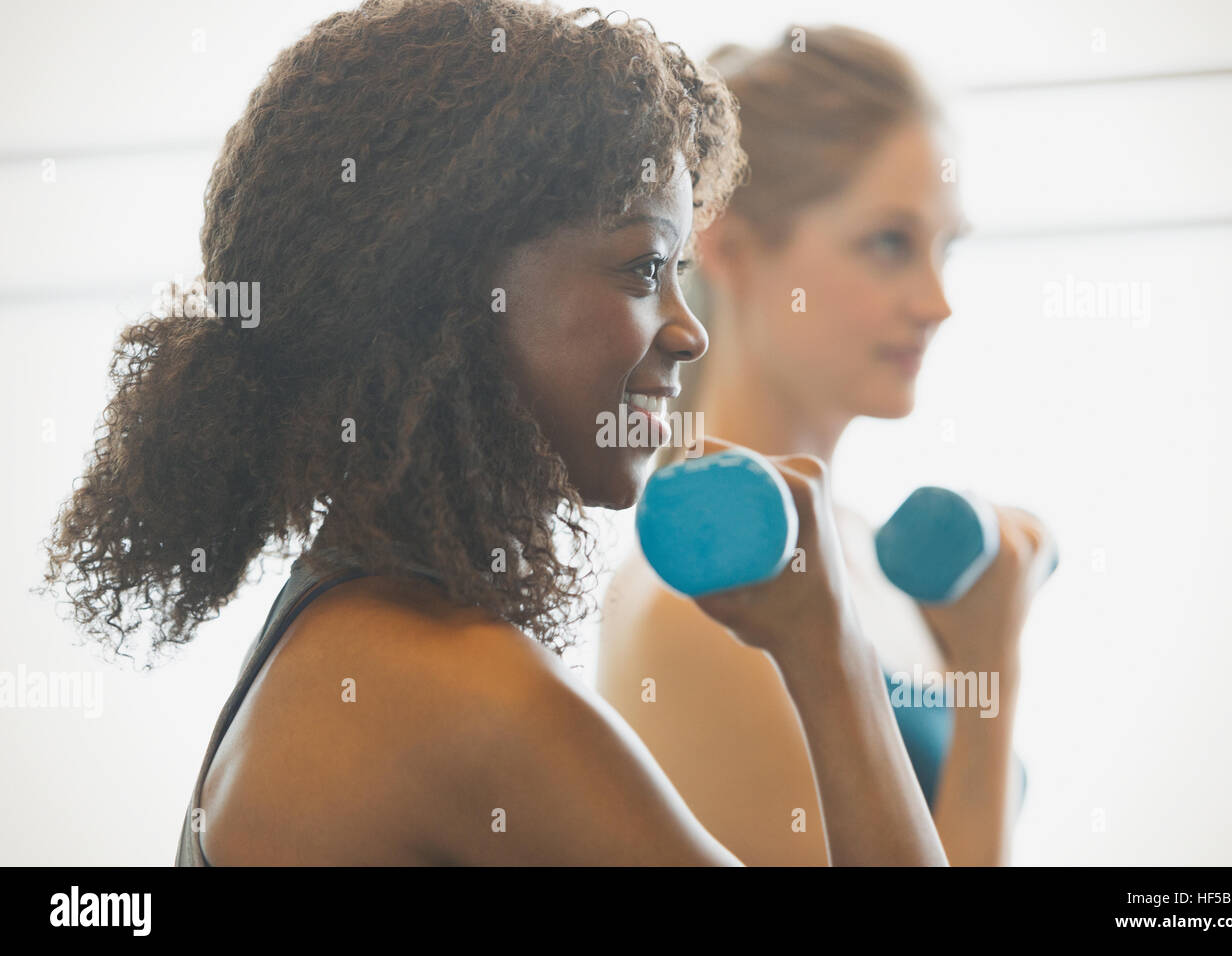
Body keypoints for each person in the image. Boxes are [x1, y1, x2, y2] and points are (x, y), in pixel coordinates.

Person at [39, 0, 947, 866]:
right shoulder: (451, 694)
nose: (688, 327)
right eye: (641, 268)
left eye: (679, 271)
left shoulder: (352, 629)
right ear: (457, 297)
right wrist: (833, 659)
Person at [597, 26, 1050, 866]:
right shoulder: (702, 606)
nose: (937, 301)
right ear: (727, 245)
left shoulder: (870, 549)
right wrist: (990, 682)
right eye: (889, 243)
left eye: (945, 247)